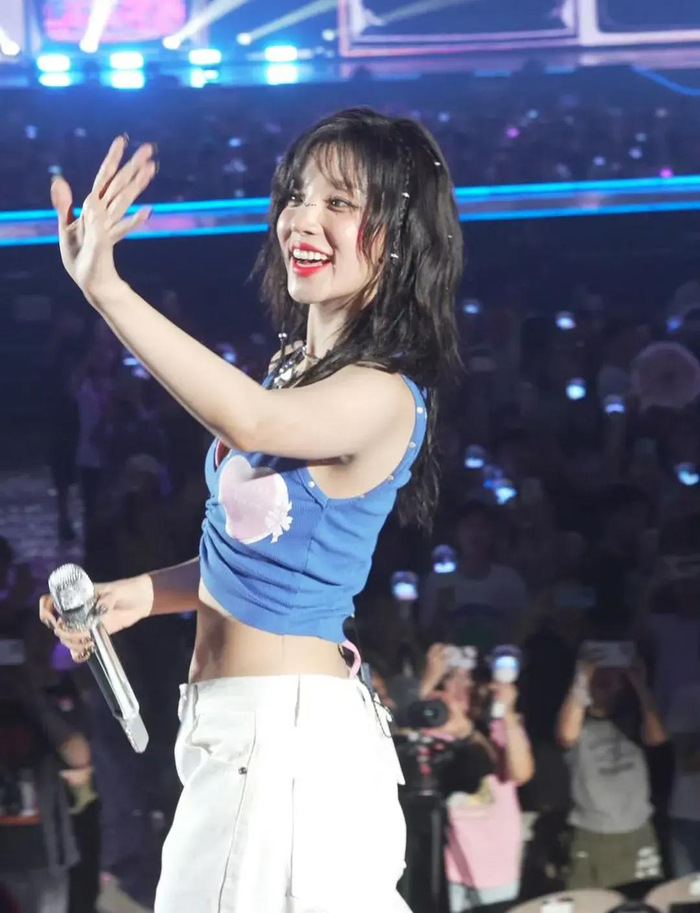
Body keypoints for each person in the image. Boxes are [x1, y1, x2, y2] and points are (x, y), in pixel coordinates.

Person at [40, 108, 463, 911]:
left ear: (399, 235)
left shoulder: (383, 394)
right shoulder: (295, 371)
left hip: (285, 741)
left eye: (340, 202)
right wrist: (141, 594)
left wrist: (106, 289)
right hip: (249, 733)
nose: (302, 218)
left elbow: (251, 423)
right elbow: (258, 553)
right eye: (298, 195)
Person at [419, 645, 534, 913]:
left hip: (495, 865)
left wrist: (507, 711)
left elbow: (522, 773)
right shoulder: (434, 728)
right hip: (452, 865)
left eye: (470, 679)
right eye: (454, 678)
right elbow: (397, 727)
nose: (464, 688)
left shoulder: (497, 726)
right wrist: (427, 680)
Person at [556, 647, 667, 891]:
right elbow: (566, 735)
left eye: (611, 671)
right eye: (598, 671)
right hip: (592, 833)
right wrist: (582, 678)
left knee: (641, 899)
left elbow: (658, 738)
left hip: (638, 831)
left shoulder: (633, 718)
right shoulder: (576, 719)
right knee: (590, 904)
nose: (604, 677)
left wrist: (640, 685)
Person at [419, 500, 529, 650]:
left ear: (492, 532)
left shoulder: (509, 580)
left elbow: (521, 630)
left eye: (482, 526)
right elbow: (426, 633)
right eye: (469, 526)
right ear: (456, 532)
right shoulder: (439, 580)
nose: (476, 532)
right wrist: (442, 610)